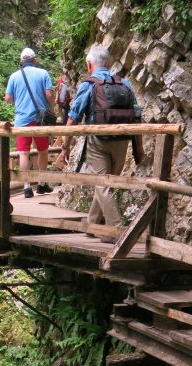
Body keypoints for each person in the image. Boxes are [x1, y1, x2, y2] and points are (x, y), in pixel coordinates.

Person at [61, 45, 140, 237]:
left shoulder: (89, 85)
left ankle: (116, 231)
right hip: (122, 141)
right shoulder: (125, 84)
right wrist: (139, 148)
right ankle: (92, 224)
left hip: (98, 141)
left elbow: (73, 117)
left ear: (90, 64)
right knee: (106, 184)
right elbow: (137, 116)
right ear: (110, 64)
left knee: (102, 184)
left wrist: (66, 145)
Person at [4, 47, 55, 198]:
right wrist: (51, 108)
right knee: (43, 151)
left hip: (22, 120)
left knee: (23, 153)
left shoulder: (14, 76)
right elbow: (49, 94)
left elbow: (8, 98)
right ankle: (41, 183)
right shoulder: (43, 73)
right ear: (35, 60)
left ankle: (26, 187)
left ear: (21, 61)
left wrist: (18, 102)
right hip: (40, 120)